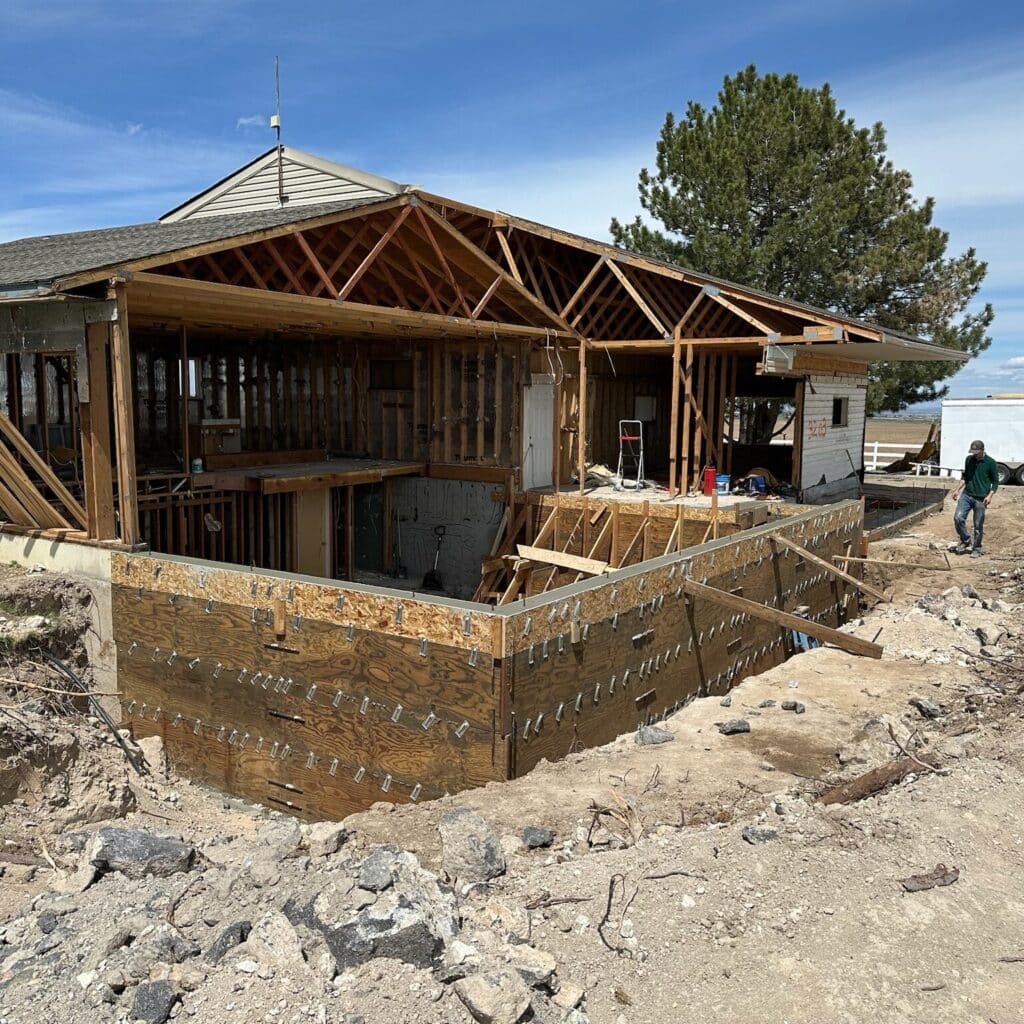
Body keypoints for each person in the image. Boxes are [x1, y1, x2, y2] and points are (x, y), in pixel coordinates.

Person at [950, 439, 999, 557]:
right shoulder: (969, 460)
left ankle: (977, 548)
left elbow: (995, 482)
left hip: (981, 499)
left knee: (978, 525)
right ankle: (965, 540)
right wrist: (957, 489)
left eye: (976, 452)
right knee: (958, 518)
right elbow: (965, 476)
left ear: (982, 450)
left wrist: (989, 496)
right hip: (967, 495)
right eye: (973, 452)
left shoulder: (990, 462)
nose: (974, 454)